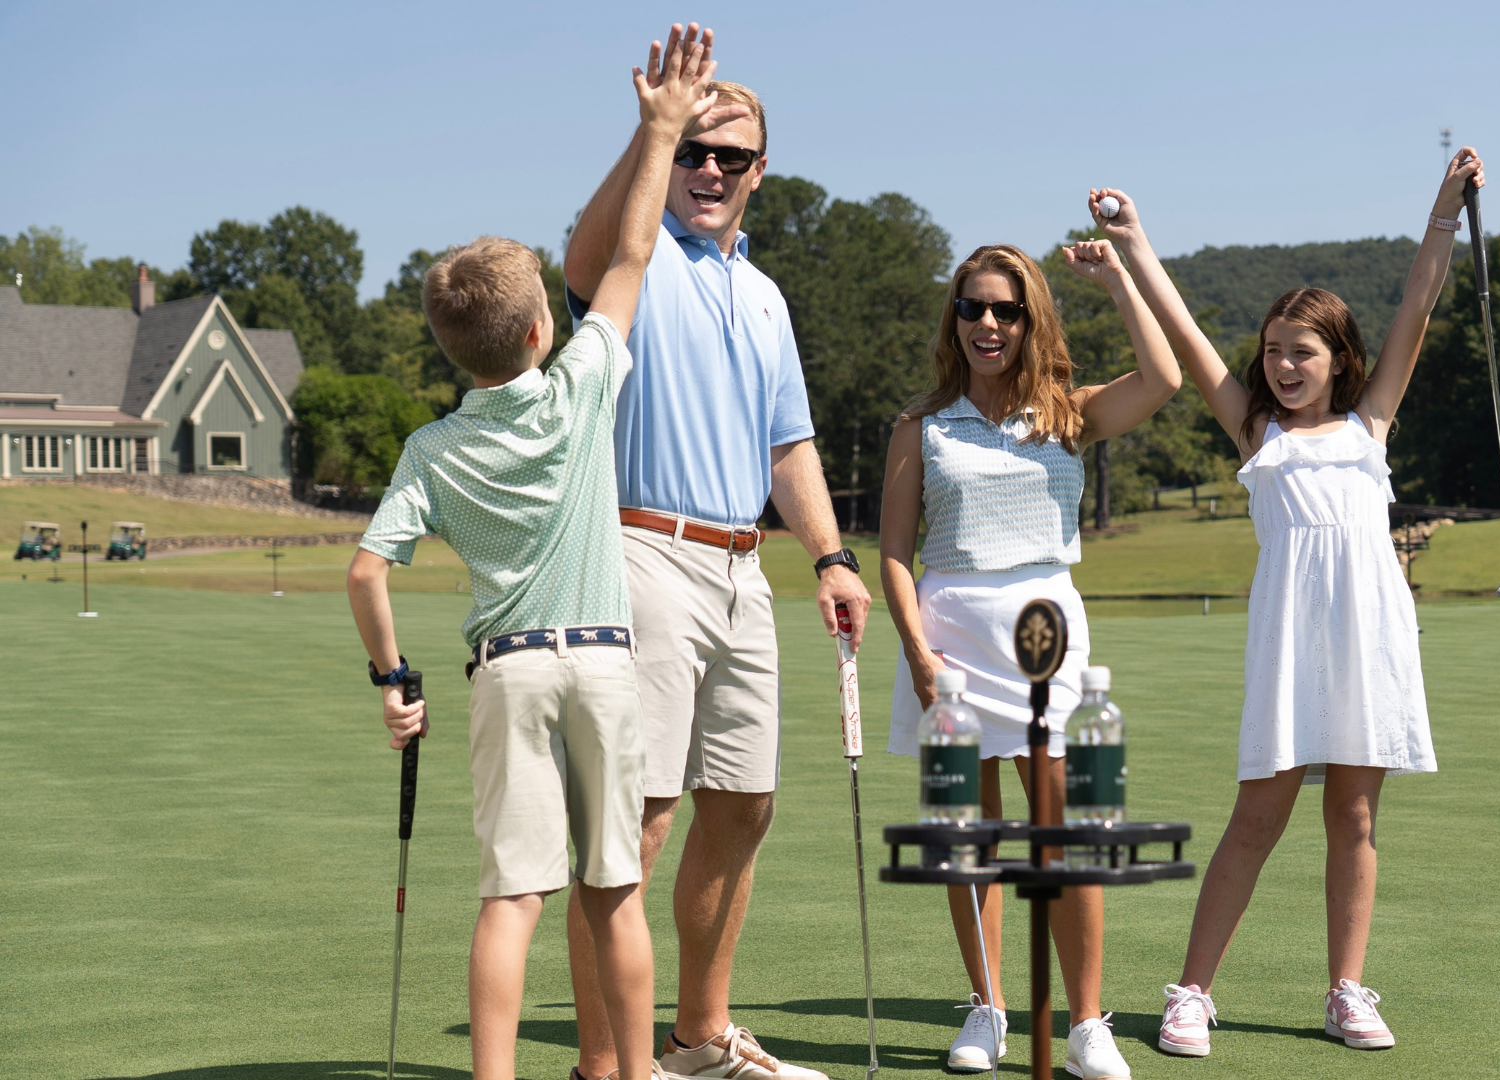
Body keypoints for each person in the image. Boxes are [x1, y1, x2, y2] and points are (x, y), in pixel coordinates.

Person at [344, 32, 737, 1080]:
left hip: (508, 671)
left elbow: (367, 570)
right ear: (535, 335)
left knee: (512, 899)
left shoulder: (431, 448)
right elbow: (631, 256)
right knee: (614, 895)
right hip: (604, 664)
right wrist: (660, 131)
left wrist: (392, 681)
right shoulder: (580, 386)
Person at [1098, 151, 1482, 1058]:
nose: (1281, 365)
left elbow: (1418, 302)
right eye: (1272, 351)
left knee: (1355, 818)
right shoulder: (1256, 431)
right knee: (1257, 819)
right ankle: (1192, 994)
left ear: (1340, 359)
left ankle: (1346, 991)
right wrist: (1136, 242)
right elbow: (1188, 333)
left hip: (1370, 641)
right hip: (1289, 645)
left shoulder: (1371, 423)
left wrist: (1444, 208)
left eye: (1300, 351)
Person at [560, 23, 870, 1080]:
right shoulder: (635, 261)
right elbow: (587, 255)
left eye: (727, 156)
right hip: (640, 553)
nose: (706, 170)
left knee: (744, 806)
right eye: (691, 151)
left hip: (744, 569)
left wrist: (829, 555)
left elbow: (789, 445)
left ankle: (697, 1039)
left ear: (758, 173)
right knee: (638, 824)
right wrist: (653, 130)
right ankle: (606, 1066)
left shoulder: (766, 294)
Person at [879, 239, 1181, 1080]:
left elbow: (1164, 378)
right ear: (954, 319)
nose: (987, 323)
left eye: (1005, 310)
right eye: (971, 307)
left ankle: (1085, 1023)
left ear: (1030, 320)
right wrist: (917, 655)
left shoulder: (1068, 413)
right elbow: (895, 552)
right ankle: (987, 1008)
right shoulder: (919, 425)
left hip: (1046, 632)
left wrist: (1118, 277)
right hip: (949, 636)